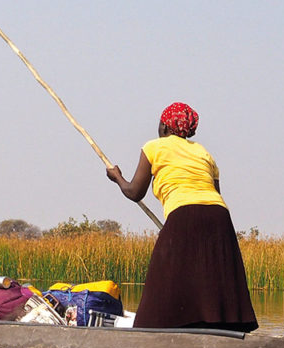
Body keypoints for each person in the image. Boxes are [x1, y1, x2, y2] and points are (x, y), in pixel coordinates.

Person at [106, 102, 258, 332]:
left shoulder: (154, 147)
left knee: (163, 277)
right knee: (212, 273)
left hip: (184, 213)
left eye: (160, 124)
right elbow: (213, 193)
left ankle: (149, 330)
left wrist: (117, 177)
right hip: (218, 215)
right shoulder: (204, 153)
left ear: (166, 127)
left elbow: (134, 192)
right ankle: (220, 327)